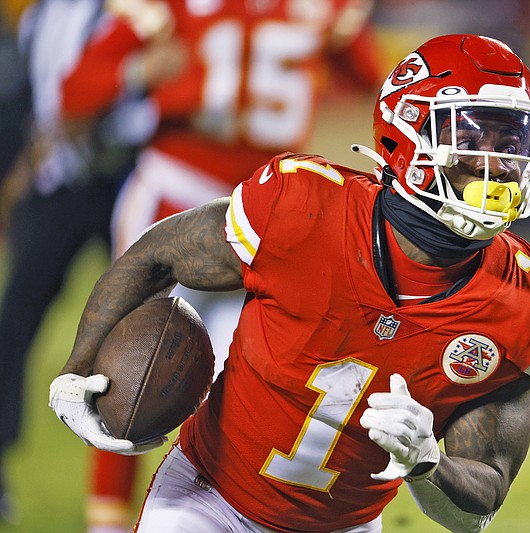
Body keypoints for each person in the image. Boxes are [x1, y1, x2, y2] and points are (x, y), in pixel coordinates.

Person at [47, 34, 530, 532]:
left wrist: (428, 466)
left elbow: (479, 501)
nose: (502, 162)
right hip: (208, 500)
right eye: (471, 136)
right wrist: (76, 369)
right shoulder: (302, 206)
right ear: (407, 138)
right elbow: (157, 256)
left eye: (513, 138)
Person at [58, 1, 384, 530]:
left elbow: (378, 84)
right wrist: (138, 70)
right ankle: (109, 520)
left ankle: (215, 513)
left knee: (249, 378)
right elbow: (77, 92)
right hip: (180, 196)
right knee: (128, 363)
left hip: (267, 215)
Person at [0, 0, 157, 524]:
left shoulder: (130, 12)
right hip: (56, 186)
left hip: (120, 177)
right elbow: (33, 99)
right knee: (14, 325)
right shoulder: (40, 15)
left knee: (143, 326)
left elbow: (154, 88)